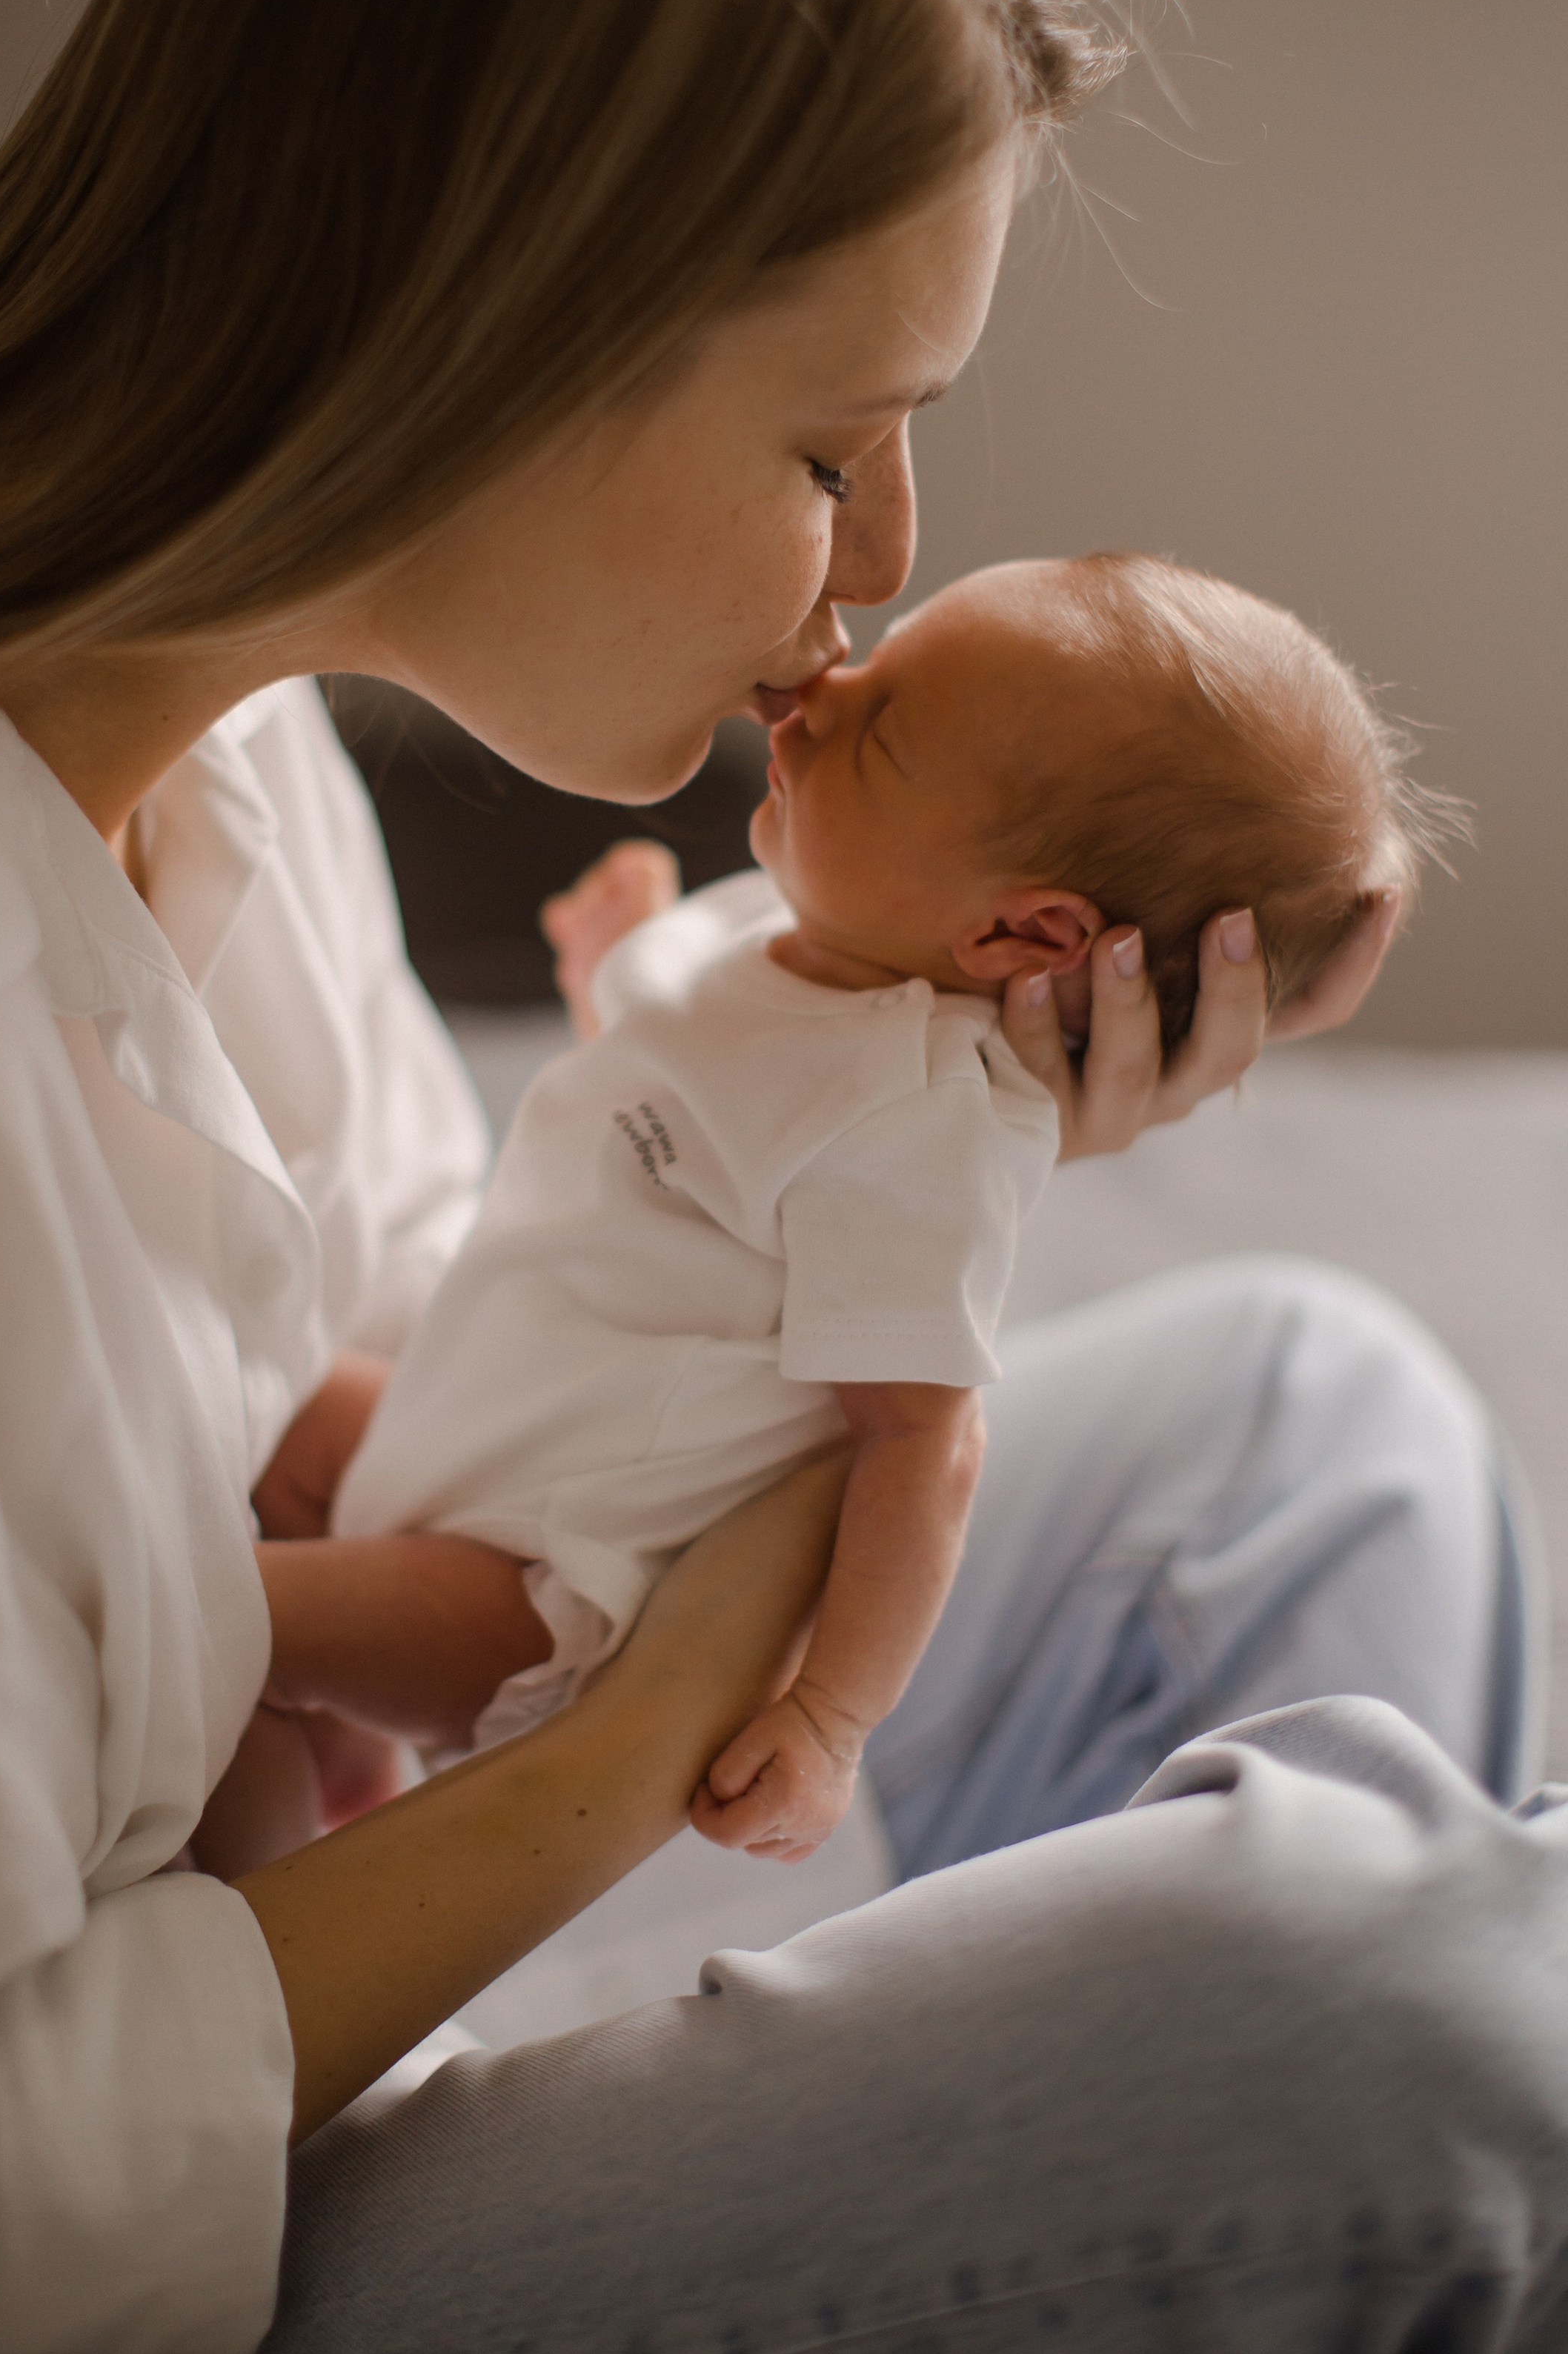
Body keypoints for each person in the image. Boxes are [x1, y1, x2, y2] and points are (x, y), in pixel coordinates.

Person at [0, 0, 1559, 2354]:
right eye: (830, 442)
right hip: (97, 2266)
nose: (880, 556)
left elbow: (428, 1331)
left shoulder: (192, 717)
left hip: (364, 1778)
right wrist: (630, 1747)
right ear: (493, 313)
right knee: (1404, 2022)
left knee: (1307, 1411)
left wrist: (889, 1121)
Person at [230, 551, 1456, 1875]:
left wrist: (828, 1717)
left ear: (1024, 936)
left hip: (540, 1589)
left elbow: (926, 1444)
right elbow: (689, 1141)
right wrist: (613, 987)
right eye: (874, 661)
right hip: (462, 1424)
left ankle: (262, 1950)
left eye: (882, 731)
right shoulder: (796, 928)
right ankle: (340, 1755)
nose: (819, 689)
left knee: (211, 1626)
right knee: (239, 1412)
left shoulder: (916, 1132)